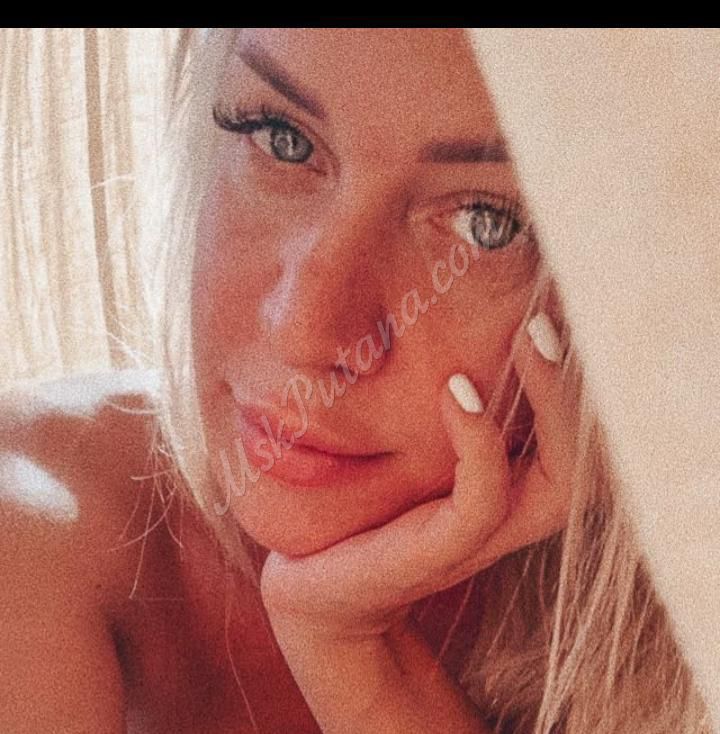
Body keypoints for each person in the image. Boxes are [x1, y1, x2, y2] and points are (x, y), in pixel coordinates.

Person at [0, 28, 714, 734]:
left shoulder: (693, 624)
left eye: (487, 223)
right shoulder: (31, 531)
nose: (304, 329)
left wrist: (356, 663)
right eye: (282, 139)